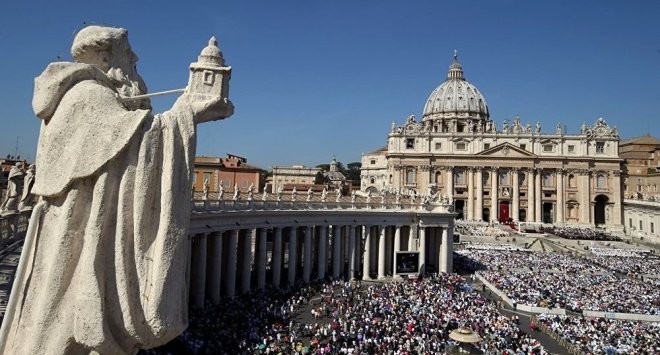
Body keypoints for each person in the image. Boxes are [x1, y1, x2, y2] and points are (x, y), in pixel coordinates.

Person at [2, 26, 233, 354]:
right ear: (107, 57)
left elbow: (128, 141)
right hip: (76, 240)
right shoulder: (88, 95)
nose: (136, 59)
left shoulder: (98, 96)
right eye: (129, 53)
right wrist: (186, 114)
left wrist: (182, 116)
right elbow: (135, 145)